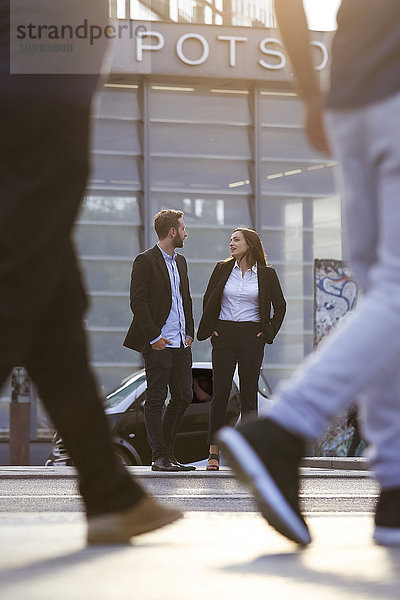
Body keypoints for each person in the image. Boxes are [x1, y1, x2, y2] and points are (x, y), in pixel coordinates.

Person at [217, 0, 400, 547]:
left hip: (350, 92)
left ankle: (394, 490)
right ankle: (285, 426)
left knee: (384, 296)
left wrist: (308, 91)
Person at [0, 0, 182, 544]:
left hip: (32, 83)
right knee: (18, 286)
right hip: (39, 92)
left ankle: (110, 494)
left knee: (51, 307)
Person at [197, 227, 286, 470]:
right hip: (224, 334)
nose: (231, 244)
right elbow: (209, 299)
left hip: (251, 336)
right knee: (221, 393)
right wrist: (213, 326)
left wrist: (266, 332)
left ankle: (250, 454)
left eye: (236, 240)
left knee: (248, 394)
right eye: (230, 240)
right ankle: (213, 453)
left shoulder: (267, 274)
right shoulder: (222, 268)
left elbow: (280, 306)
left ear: (251, 244)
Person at [123, 210, 196, 472]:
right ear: (172, 232)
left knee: (184, 396)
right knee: (156, 398)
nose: (186, 233)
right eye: (183, 228)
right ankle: (160, 456)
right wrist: (154, 336)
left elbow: (185, 299)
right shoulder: (145, 261)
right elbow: (138, 302)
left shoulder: (181, 262)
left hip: (180, 341)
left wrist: (189, 331)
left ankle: (169, 454)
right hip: (159, 341)